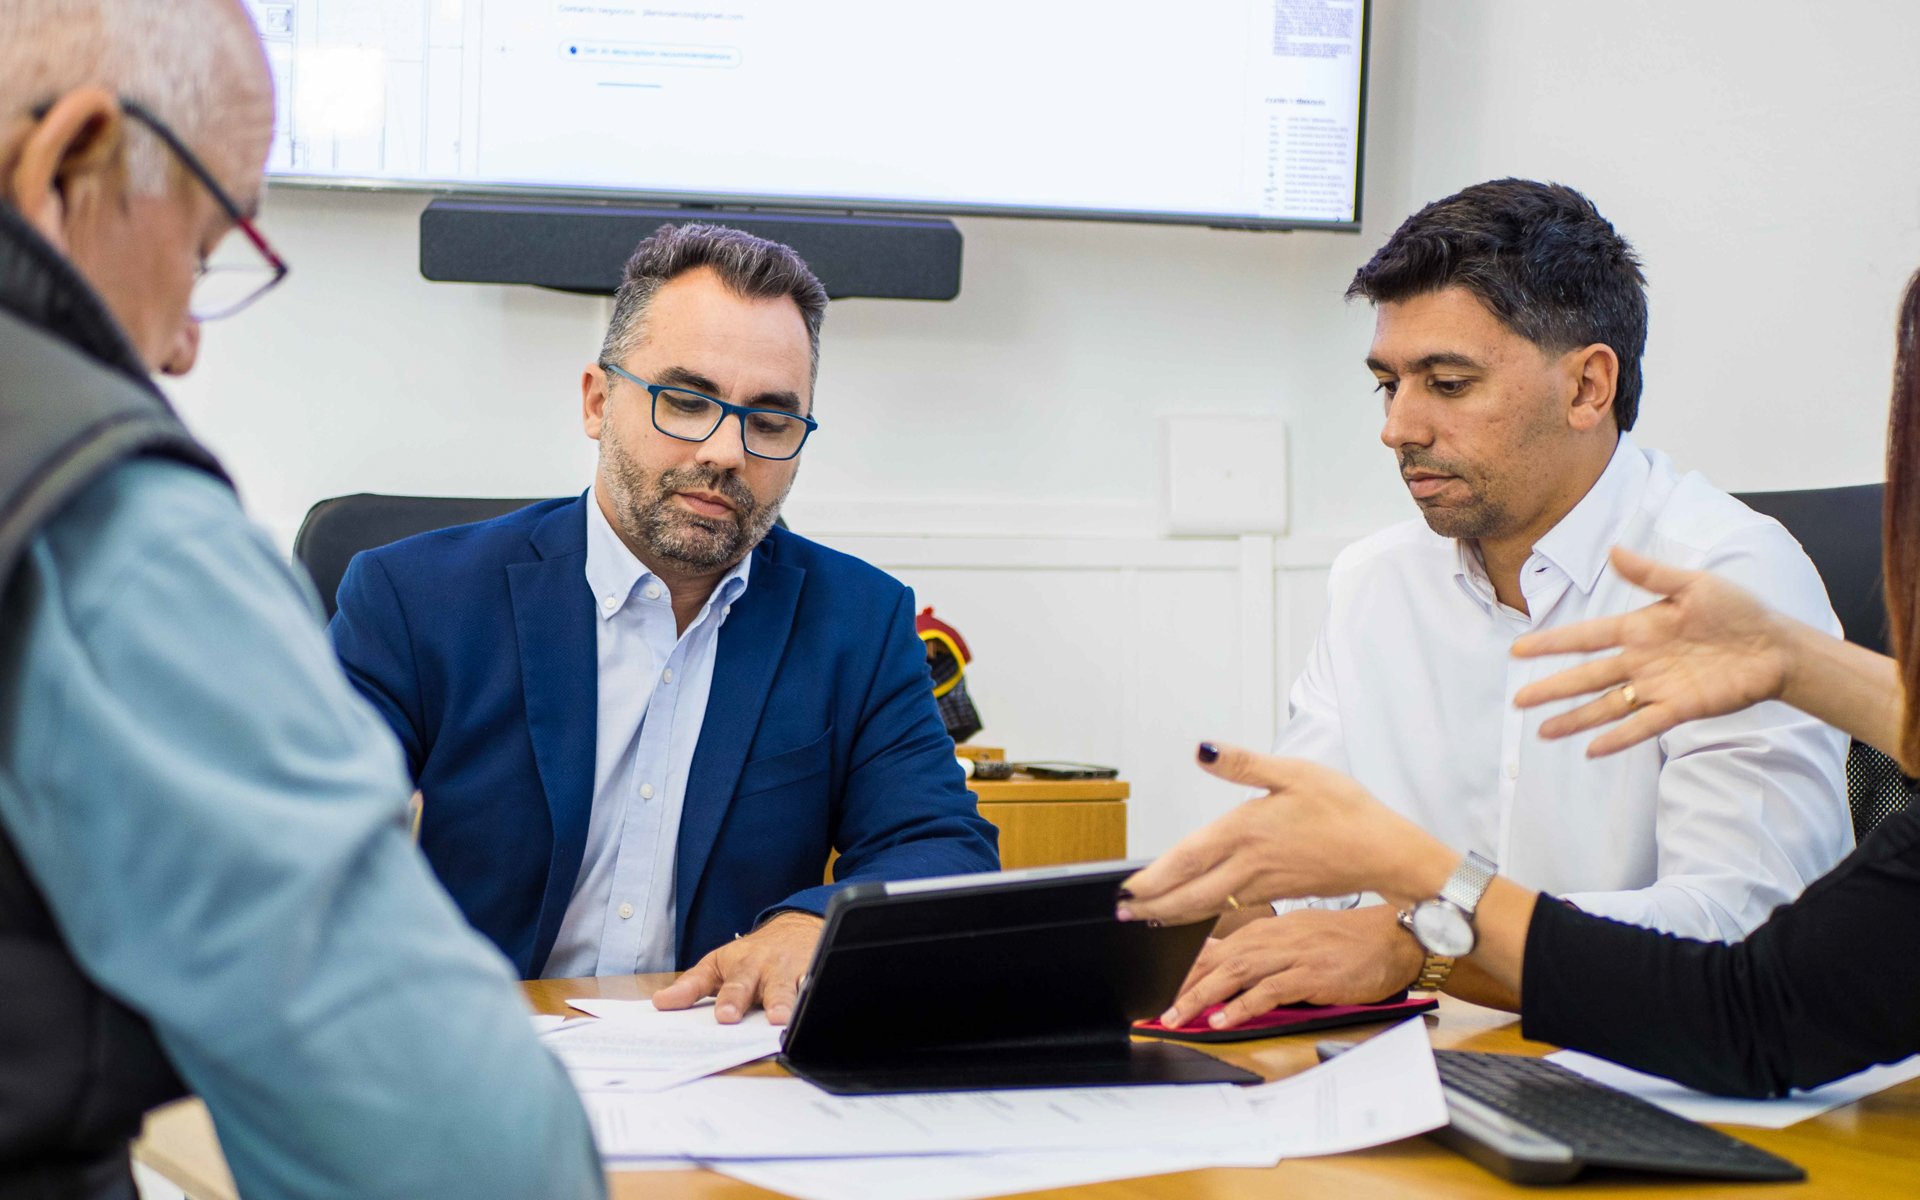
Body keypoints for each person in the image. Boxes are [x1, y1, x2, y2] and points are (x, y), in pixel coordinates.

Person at [0, 2, 602, 1198]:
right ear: (66, 164)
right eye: (204, 250)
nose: (183, 349)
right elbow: (464, 1153)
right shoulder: (109, 527)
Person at [1119, 265, 1920, 1100]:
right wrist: (1144, 931)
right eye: (1389, 385)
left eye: (1448, 384)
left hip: (1678, 1089)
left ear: (1587, 387)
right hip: (1441, 1074)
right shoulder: (1374, 580)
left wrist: (1424, 937)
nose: (1397, 428)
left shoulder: (1725, 572)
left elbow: (1735, 932)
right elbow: (1309, 881)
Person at [329, 222, 1000, 1023]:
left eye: (770, 421)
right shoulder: (414, 599)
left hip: (718, 1051)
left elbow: (944, 846)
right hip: (476, 1042)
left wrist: (814, 923)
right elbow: (299, 840)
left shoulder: (858, 620)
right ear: (597, 401)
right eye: (685, 401)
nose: (726, 451)